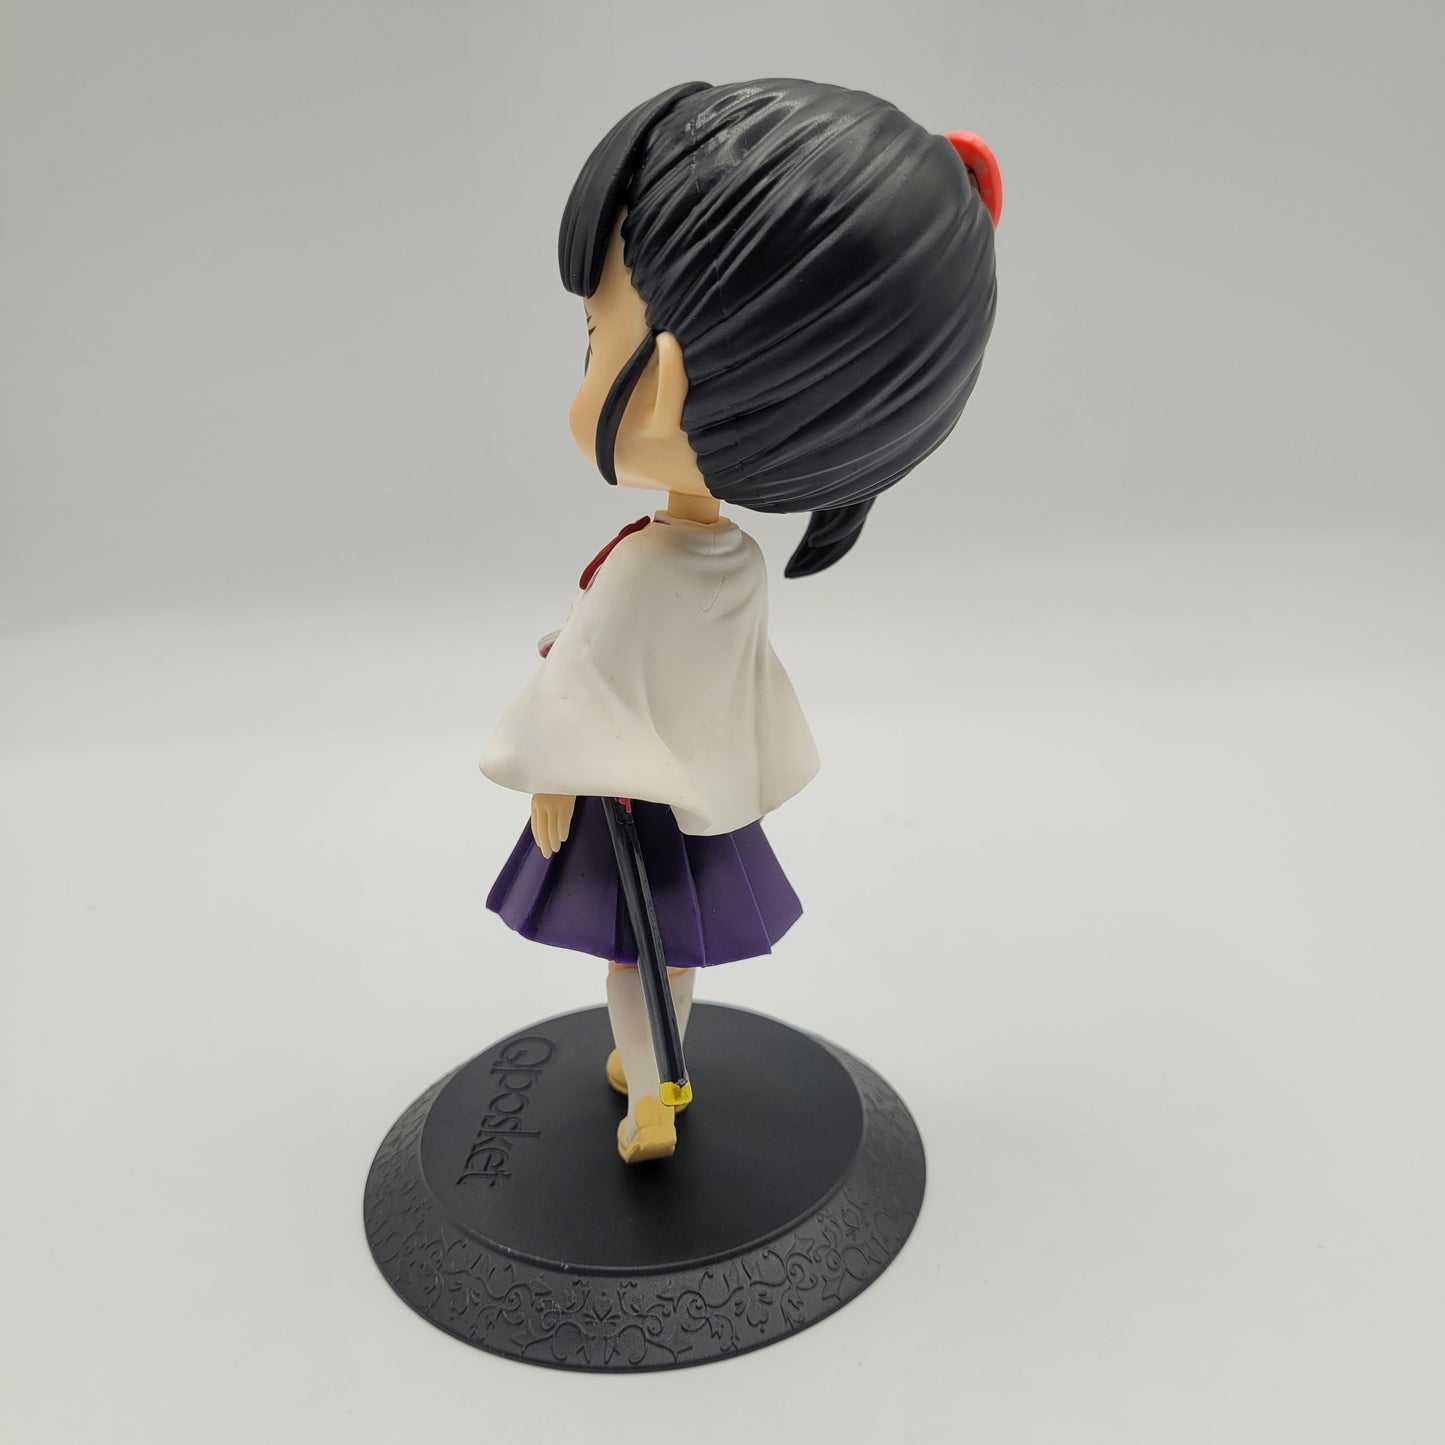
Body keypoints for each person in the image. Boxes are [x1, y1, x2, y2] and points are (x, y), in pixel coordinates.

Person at [481, 78, 1001, 1163]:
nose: (587, 365)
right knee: (676, 950)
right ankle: (658, 1066)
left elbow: (586, 682)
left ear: (663, 384)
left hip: (625, 804)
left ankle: (650, 1090)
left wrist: (548, 771)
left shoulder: (647, 566)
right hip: (700, 802)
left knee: (627, 955)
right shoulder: (736, 561)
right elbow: (725, 677)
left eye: (596, 339)